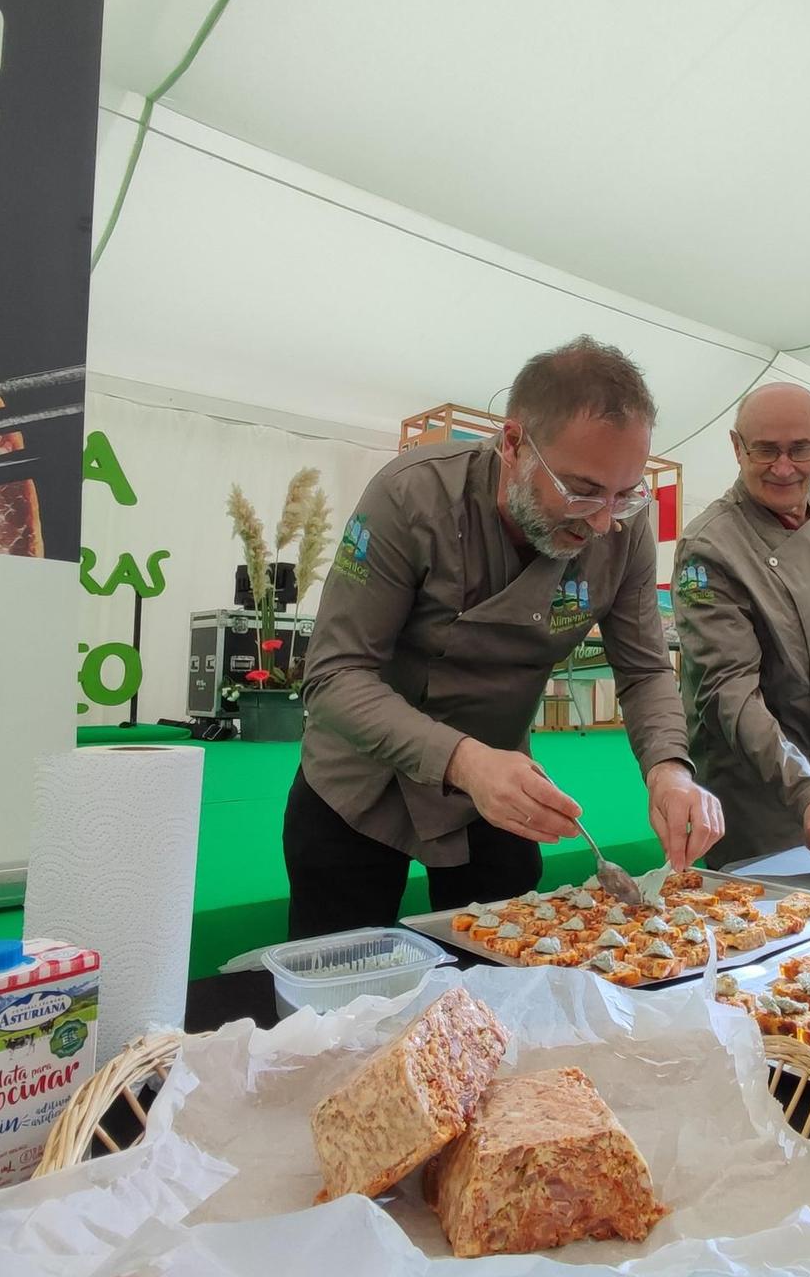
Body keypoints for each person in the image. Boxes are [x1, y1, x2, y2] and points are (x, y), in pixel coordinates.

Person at [286, 337, 725, 938]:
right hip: (361, 780)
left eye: (625, 494)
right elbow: (334, 677)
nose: (602, 522)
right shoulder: (412, 496)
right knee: (339, 1009)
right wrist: (464, 760)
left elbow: (645, 670)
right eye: (581, 489)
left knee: (507, 984)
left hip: (503, 789)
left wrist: (670, 769)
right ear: (513, 444)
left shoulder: (623, 526)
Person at [672, 383, 810, 871]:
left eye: (801, 449)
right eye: (766, 450)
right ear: (736, 447)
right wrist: (806, 788)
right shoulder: (710, 547)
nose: (785, 467)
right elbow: (728, 693)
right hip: (769, 797)